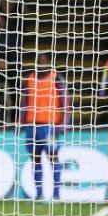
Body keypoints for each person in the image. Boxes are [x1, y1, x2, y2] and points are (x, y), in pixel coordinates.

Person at [22, 53, 68, 201]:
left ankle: (56, 194)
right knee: (35, 159)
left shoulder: (56, 78)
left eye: (44, 61)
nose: (41, 64)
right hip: (31, 126)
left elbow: (65, 100)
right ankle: (39, 194)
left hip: (49, 126)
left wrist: (64, 123)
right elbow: (25, 101)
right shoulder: (30, 78)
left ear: (49, 63)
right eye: (39, 61)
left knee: (53, 158)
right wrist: (20, 121)